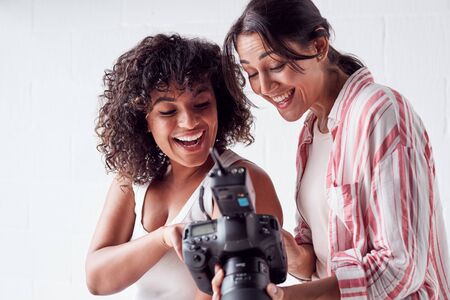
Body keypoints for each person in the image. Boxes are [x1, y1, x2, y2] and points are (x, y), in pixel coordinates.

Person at [212, 0, 450, 299]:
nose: (264, 86)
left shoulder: (378, 112)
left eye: (275, 66)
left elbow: (400, 267)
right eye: (251, 74)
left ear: (319, 47)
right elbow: (321, 259)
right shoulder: (311, 132)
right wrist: (281, 249)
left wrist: (289, 297)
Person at [85, 33, 283, 300]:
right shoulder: (132, 179)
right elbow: (97, 279)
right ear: (144, 119)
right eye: (168, 111)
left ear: (219, 106)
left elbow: (223, 293)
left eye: (201, 104)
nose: (189, 122)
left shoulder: (238, 182)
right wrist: (163, 237)